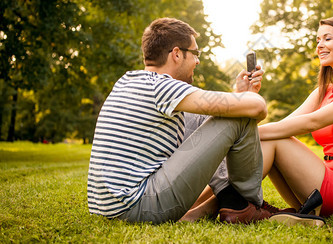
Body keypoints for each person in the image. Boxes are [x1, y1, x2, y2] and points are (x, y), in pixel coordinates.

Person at [87, 17, 283, 225]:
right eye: (195, 53)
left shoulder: (128, 80)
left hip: (108, 206)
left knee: (200, 116)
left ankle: (229, 199)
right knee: (240, 116)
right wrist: (247, 98)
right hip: (138, 206)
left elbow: (212, 123)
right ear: (177, 54)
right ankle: (245, 206)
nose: (197, 61)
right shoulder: (163, 87)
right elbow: (258, 108)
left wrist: (240, 95)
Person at [259, 16, 333, 226]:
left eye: (327, 38)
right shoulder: (324, 91)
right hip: (319, 183)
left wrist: (249, 133)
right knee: (272, 137)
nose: (320, 45)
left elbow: (312, 122)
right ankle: (223, 203)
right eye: (317, 40)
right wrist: (248, 130)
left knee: (274, 138)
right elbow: (288, 123)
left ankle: (229, 205)